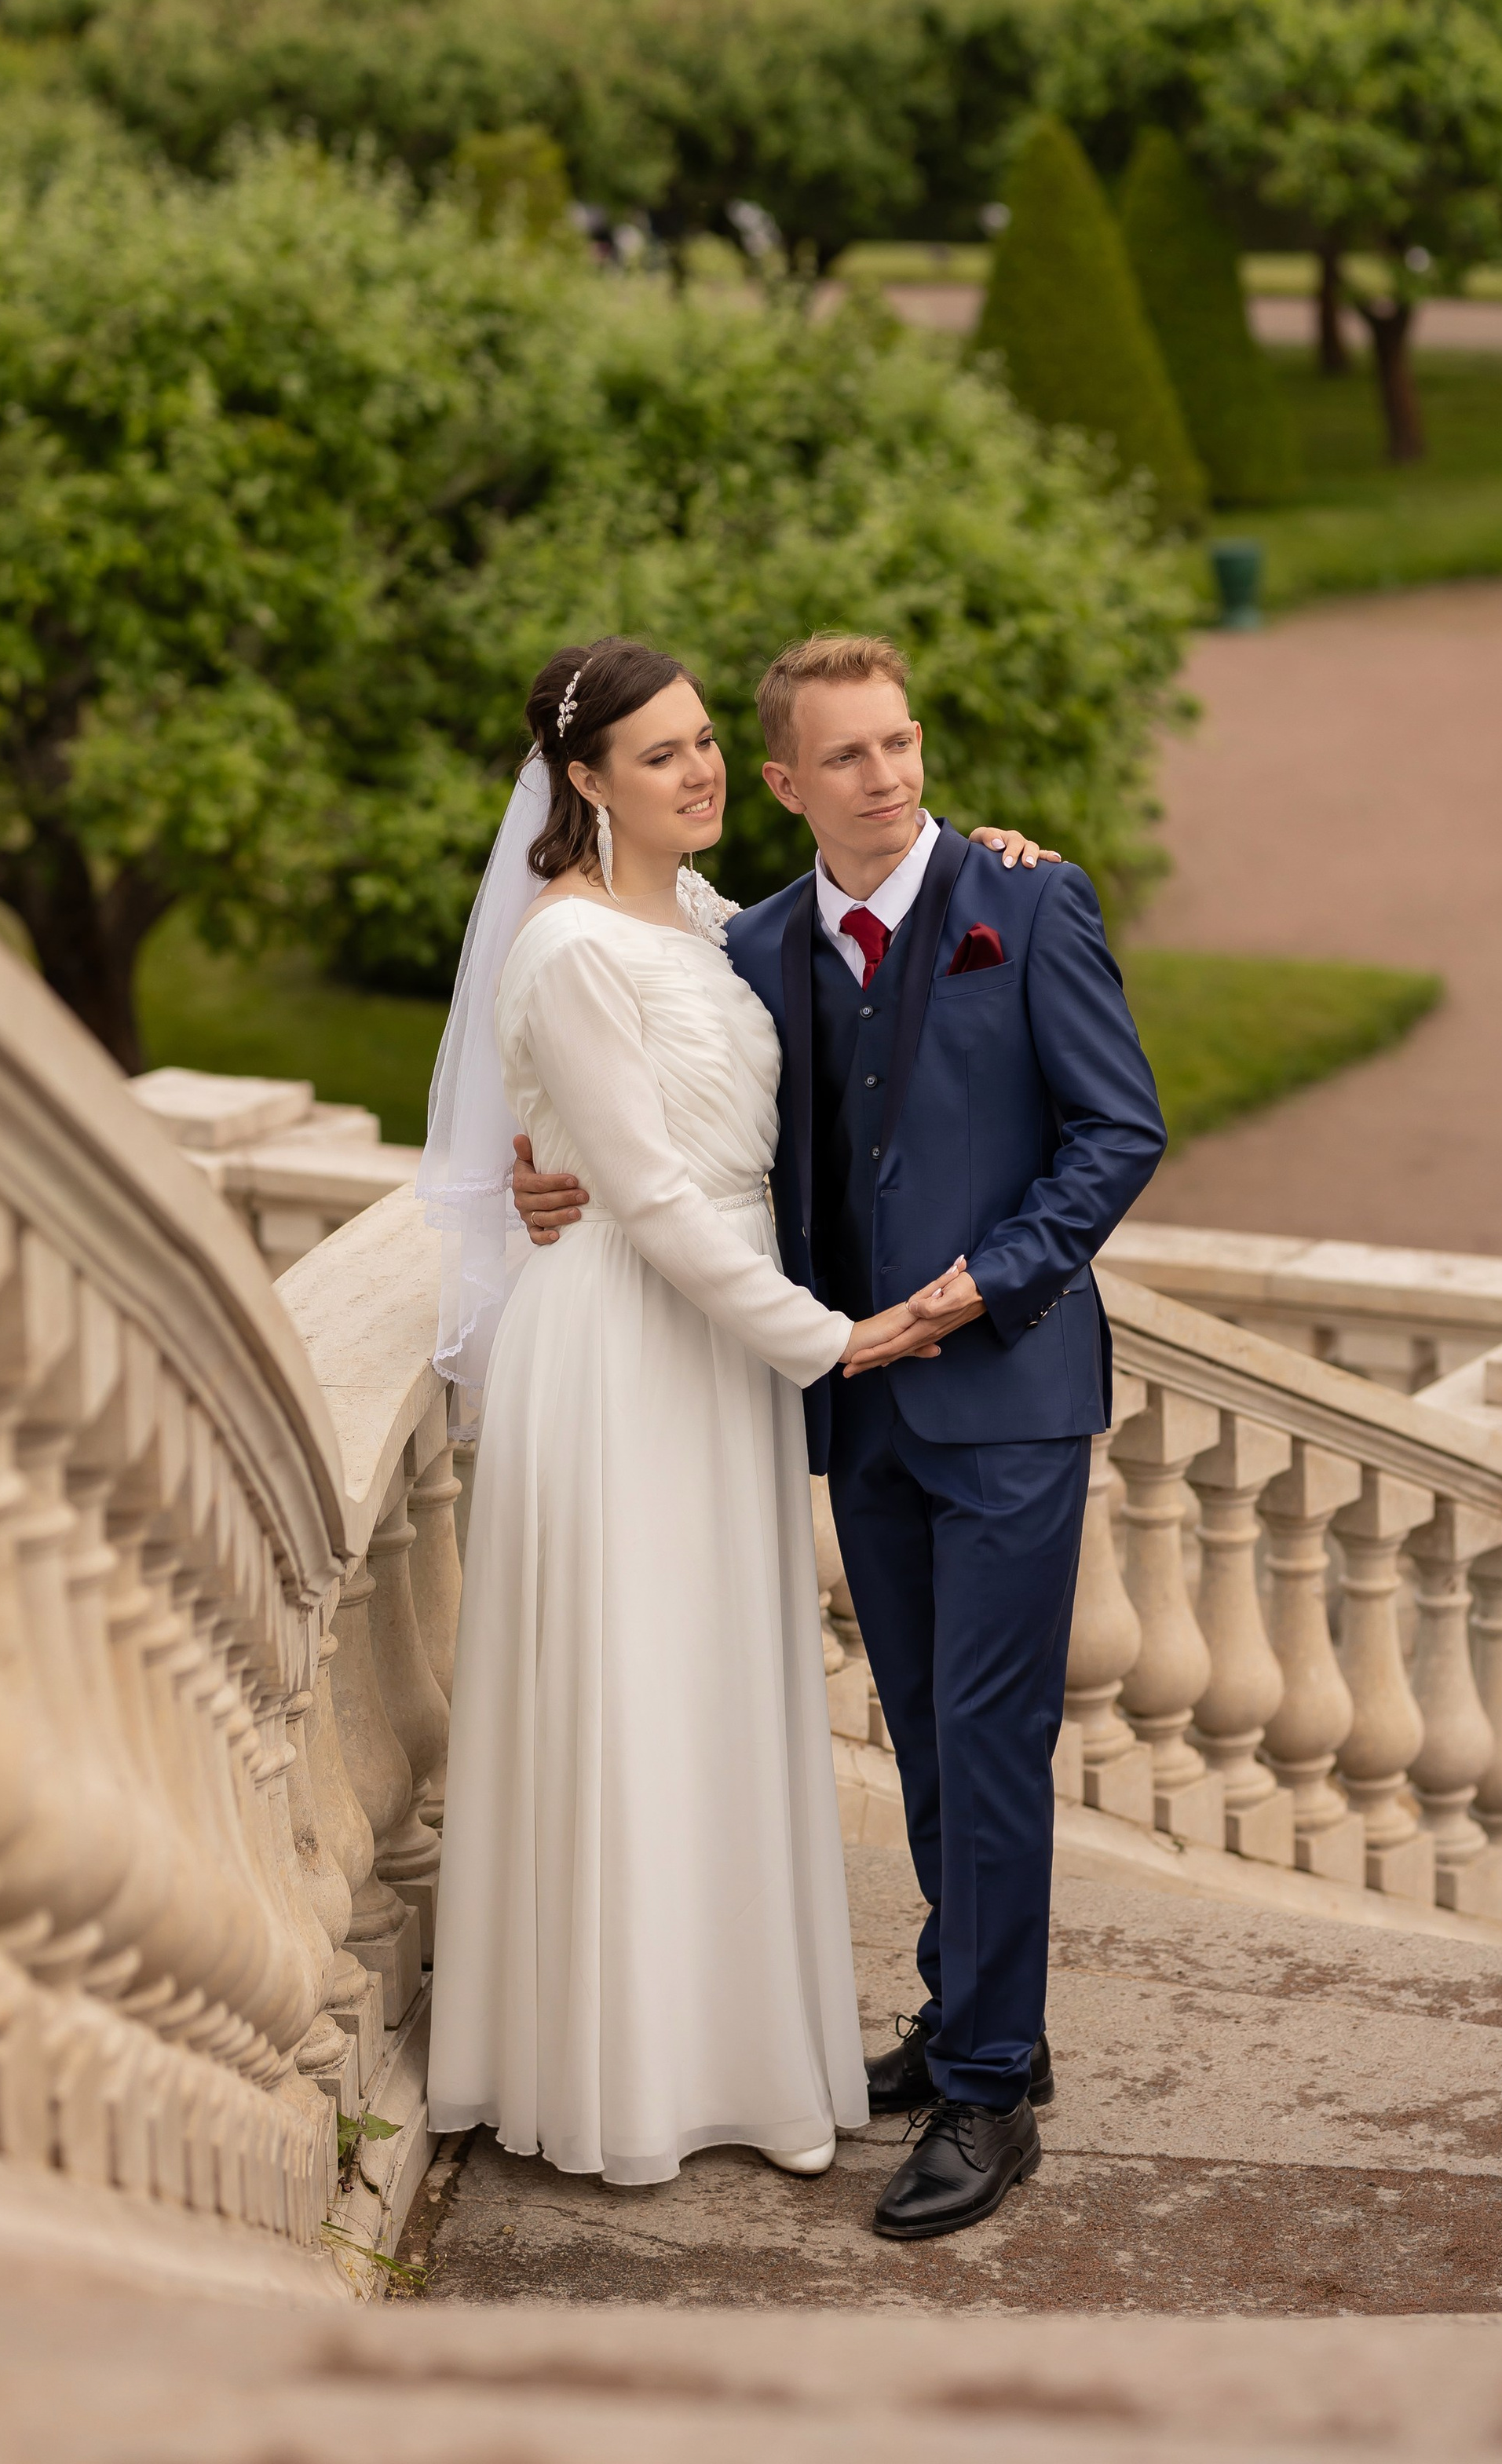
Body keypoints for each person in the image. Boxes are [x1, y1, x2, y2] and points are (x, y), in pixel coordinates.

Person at [516, 634, 1167, 2242]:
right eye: (847, 757)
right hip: (857, 1413)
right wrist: (550, 1175)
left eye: (902, 743)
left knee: (988, 1742)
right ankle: (965, 2026)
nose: (886, 775)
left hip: (1006, 1394)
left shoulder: (1027, 903)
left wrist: (985, 1285)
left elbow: (1117, 1131)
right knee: (929, 1743)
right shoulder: (743, 945)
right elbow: (677, 1117)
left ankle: (992, 2087)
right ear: (789, 783)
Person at [422, 636, 1041, 2191]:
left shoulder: (708, 920)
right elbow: (638, 1189)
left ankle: (733, 2046)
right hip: (636, 1348)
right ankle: (616, 2070)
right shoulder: (564, 948)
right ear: (582, 780)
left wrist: (995, 866)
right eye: (656, 754)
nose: (695, 771)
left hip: (719, 1356)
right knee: (636, 1690)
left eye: (703, 743)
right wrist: (829, 1342)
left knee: (711, 1692)